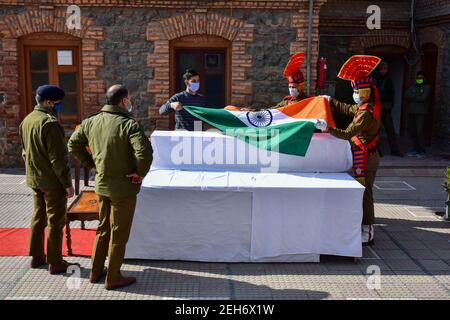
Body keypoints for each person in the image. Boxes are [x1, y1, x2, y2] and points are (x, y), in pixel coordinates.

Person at [68, 85, 153, 290]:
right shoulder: (129, 124)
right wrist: (140, 173)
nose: (131, 103)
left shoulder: (91, 121)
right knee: (119, 233)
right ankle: (113, 276)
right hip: (123, 188)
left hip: (102, 185)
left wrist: (91, 164)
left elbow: (73, 144)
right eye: (129, 99)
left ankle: (96, 271)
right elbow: (144, 153)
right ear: (123, 101)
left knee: (102, 229)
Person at [319, 55, 382, 245]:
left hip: (367, 156)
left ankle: (368, 230)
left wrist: (328, 129)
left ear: (364, 91)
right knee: (362, 192)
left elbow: (348, 133)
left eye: (356, 90)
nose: (354, 93)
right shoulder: (364, 107)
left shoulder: (365, 113)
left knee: (365, 193)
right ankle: (362, 224)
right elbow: (349, 109)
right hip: (363, 153)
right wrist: (331, 101)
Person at [19, 85, 79, 274]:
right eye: (58, 104)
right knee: (55, 221)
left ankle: (37, 257)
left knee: (39, 217)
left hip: (35, 178)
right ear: (48, 103)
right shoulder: (50, 123)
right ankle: (55, 262)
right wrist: (67, 184)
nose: (59, 107)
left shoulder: (27, 120)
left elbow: (24, 152)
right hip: (52, 182)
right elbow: (58, 159)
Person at [375, 62, 403, 157]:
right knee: (376, 130)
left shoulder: (389, 80)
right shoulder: (375, 80)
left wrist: (391, 105)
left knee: (390, 129)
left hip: (386, 107)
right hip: (377, 107)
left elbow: (392, 94)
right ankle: (377, 150)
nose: (383, 70)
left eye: (385, 69)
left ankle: (394, 149)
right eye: (382, 69)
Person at [405, 71, 432, 158]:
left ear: (424, 78)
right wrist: (417, 95)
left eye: (420, 78)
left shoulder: (427, 87)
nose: (419, 79)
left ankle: (421, 150)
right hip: (411, 111)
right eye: (417, 78)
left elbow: (423, 98)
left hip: (421, 112)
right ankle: (414, 149)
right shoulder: (413, 86)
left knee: (419, 131)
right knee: (412, 131)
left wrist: (414, 96)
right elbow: (407, 95)